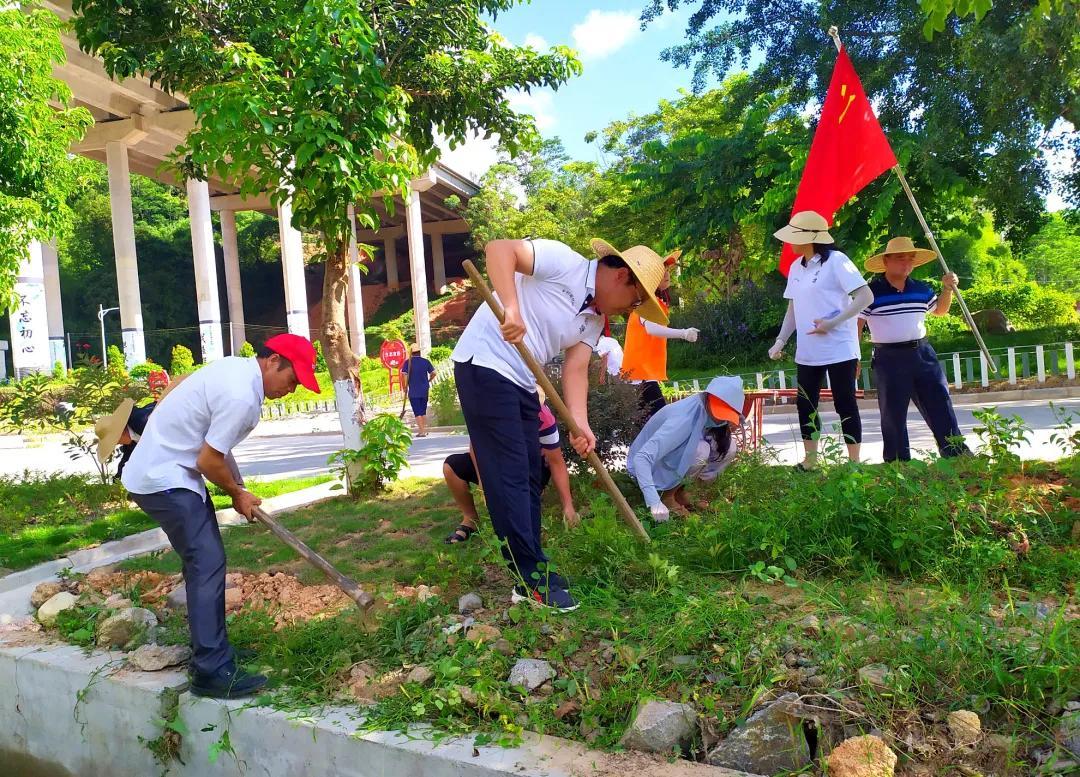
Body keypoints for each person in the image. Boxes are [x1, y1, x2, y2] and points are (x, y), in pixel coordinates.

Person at [451, 236, 667, 612]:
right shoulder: (563, 262)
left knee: (532, 472)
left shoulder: (595, 320)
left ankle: (527, 572)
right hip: (485, 364)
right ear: (621, 277)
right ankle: (533, 578)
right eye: (635, 302)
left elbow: (577, 370)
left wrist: (579, 424)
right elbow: (500, 249)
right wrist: (512, 308)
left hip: (520, 380)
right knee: (510, 475)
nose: (630, 311)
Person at [121, 334, 319, 698]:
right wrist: (235, 493)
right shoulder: (243, 396)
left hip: (165, 473)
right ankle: (211, 669)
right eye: (292, 380)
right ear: (274, 360)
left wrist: (240, 489)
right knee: (207, 560)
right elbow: (209, 460)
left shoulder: (236, 370)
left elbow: (217, 446)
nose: (291, 391)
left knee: (203, 561)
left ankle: (212, 653)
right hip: (163, 477)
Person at [769, 211, 874, 470]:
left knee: (844, 402)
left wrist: (833, 322)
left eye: (795, 236)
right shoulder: (796, 267)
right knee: (805, 403)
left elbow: (865, 296)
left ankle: (853, 462)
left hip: (839, 347)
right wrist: (781, 340)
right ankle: (811, 461)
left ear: (812, 238)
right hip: (808, 350)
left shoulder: (837, 261)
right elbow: (793, 309)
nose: (790, 242)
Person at [858, 236, 972, 462]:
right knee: (893, 412)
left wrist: (947, 289)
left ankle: (956, 452)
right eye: (900, 259)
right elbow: (857, 325)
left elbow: (939, 310)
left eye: (910, 259)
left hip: (922, 353)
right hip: (888, 357)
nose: (906, 263)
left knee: (939, 401)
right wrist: (854, 358)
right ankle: (898, 461)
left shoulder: (921, 289)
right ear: (886, 262)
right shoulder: (870, 293)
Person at [442, 396, 578, 544]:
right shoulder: (490, 411)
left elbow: (556, 462)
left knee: (514, 516)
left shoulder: (543, 418)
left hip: (530, 467)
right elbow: (476, 445)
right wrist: (483, 479)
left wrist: (568, 507)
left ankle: (528, 503)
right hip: (498, 461)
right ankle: (470, 519)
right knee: (451, 466)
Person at [628, 376, 744, 521]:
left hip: (673, 458)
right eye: (719, 413)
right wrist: (654, 502)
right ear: (708, 397)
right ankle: (667, 497)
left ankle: (687, 493)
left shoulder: (707, 412)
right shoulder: (682, 419)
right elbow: (642, 458)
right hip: (651, 467)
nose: (721, 420)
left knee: (729, 448)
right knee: (701, 450)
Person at [621, 250, 700, 419]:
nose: (666, 274)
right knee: (661, 421)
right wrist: (683, 333)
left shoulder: (656, 303)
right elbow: (652, 329)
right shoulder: (645, 304)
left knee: (650, 423)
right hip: (639, 376)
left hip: (643, 376)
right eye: (660, 271)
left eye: (667, 270)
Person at [401, 343, 436, 437]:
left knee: (417, 411)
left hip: (414, 391)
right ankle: (424, 430)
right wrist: (429, 380)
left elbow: (404, 376)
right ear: (419, 352)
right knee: (423, 410)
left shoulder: (408, 363)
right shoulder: (425, 361)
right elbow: (434, 373)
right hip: (424, 389)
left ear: (411, 353)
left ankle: (422, 431)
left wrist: (405, 387)